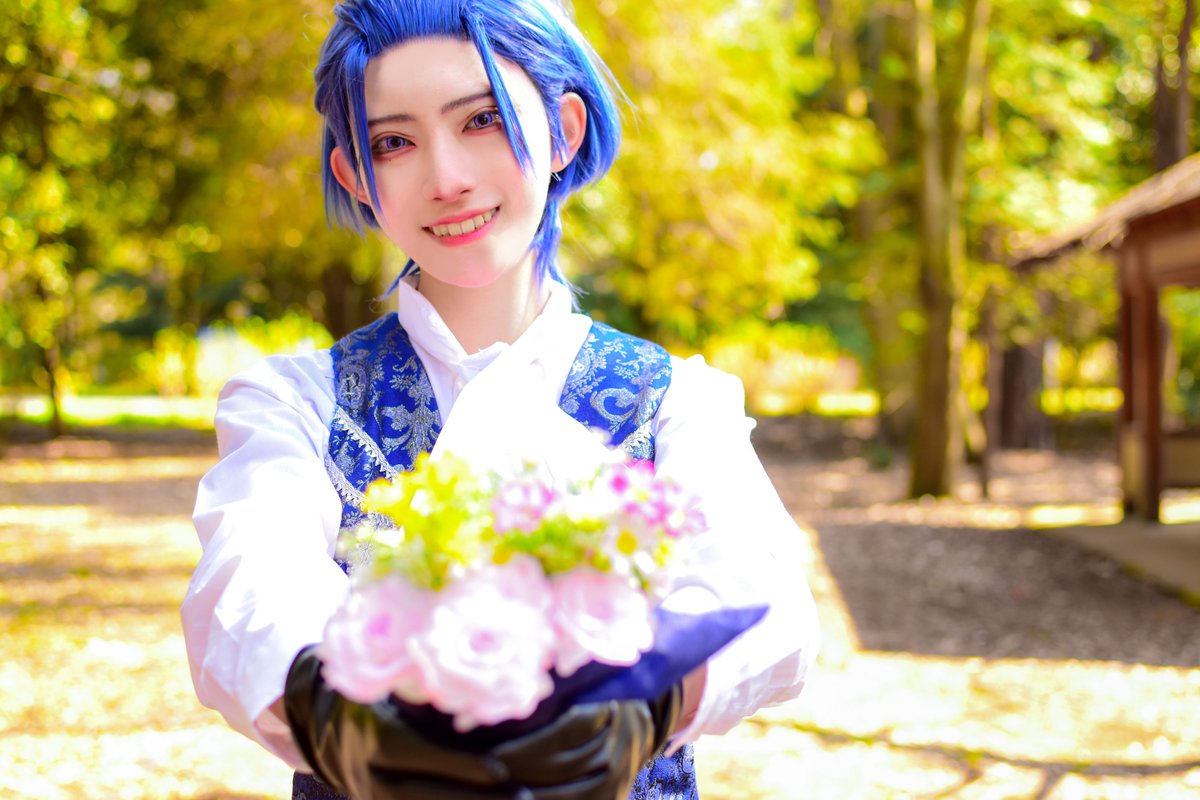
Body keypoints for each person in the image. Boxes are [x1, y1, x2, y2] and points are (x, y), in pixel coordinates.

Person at [181, 1, 821, 798]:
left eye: (482, 120)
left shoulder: (676, 403)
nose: (447, 178)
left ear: (564, 132)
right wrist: (338, 720)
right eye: (393, 142)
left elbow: (765, 597)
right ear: (354, 176)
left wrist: (650, 704)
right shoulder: (294, 406)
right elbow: (249, 583)